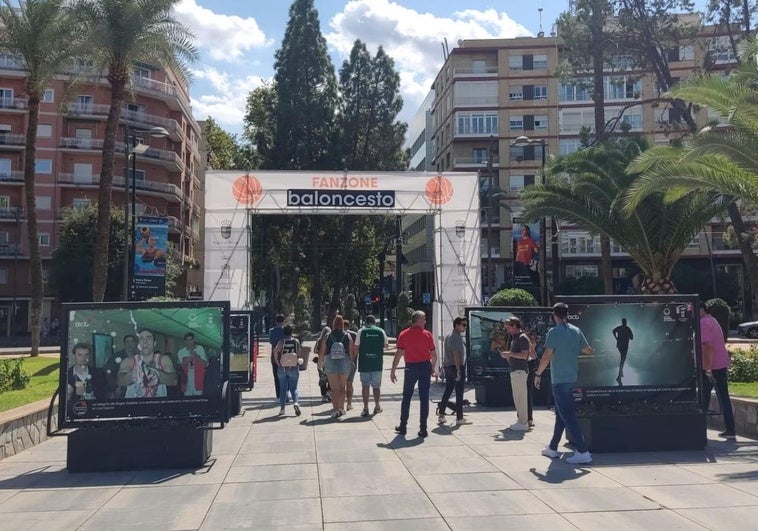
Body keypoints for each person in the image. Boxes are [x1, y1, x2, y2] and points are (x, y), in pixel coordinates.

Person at [535, 302, 594, 464]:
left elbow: (546, 356)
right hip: (572, 378)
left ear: (554, 315)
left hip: (559, 380)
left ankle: (583, 451)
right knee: (561, 414)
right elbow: (588, 349)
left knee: (567, 415)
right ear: (567, 314)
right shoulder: (576, 330)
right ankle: (553, 448)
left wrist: (538, 373)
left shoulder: (554, 332)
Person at [391, 310, 437, 438]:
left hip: (411, 368)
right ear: (417, 320)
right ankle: (423, 428)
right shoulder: (427, 335)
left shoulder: (404, 334)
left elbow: (398, 354)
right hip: (424, 366)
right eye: (424, 319)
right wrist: (432, 367)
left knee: (407, 397)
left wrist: (393, 370)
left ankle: (403, 426)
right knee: (424, 398)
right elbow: (433, 355)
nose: (425, 321)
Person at [700, 304, 735, 440]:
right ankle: (730, 429)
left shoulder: (703, 323)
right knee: (724, 396)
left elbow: (707, 346)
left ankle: (700, 429)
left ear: (701, 310)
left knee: (704, 397)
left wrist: (707, 368)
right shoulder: (713, 320)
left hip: (711, 366)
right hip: (721, 363)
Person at [117, 328, 177, 398]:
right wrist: (134, 374)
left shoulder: (163, 360)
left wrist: (156, 375)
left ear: (154, 343)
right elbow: (120, 381)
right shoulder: (129, 361)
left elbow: (174, 381)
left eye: (148, 338)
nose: (145, 342)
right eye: (141, 339)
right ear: (138, 344)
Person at [499, 316, 531, 431]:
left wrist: (510, 354)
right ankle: (521, 420)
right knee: (518, 398)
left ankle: (523, 423)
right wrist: (508, 355)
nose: (507, 330)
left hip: (520, 371)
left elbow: (524, 355)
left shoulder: (522, 337)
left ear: (514, 326)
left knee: (521, 398)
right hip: (516, 371)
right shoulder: (515, 338)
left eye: (508, 327)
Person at [437, 316, 471, 426]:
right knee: (459, 392)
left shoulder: (448, 335)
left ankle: (441, 415)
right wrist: (458, 370)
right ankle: (459, 417)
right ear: (457, 325)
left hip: (448, 366)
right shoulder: (455, 337)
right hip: (455, 366)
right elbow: (456, 354)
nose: (465, 327)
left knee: (448, 389)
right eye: (463, 325)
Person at [319, 315, 353, 418]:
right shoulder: (347, 336)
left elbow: (322, 351)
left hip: (331, 361)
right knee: (342, 387)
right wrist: (351, 362)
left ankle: (335, 410)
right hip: (344, 362)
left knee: (334, 389)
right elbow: (351, 351)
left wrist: (320, 362)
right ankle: (342, 408)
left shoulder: (328, 336)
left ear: (333, 324)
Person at [355, 315, 388, 417]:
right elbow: (386, 345)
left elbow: (356, 347)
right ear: (374, 322)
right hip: (377, 364)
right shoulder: (381, 331)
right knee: (376, 387)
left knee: (365, 386)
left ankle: (365, 408)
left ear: (365, 322)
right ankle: (377, 406)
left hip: (364, 364)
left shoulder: (361, 332)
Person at [274, 324, 302, 416]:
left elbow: (275, 351)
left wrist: (277, 362)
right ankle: (296, 403)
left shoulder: (281, 342)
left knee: (283, 388)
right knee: (294, 388)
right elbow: (299, 353)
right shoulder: (296, 341)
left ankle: (282, 409)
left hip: (282, 367)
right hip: (293, 366)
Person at [104, 334, 137, 398]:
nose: (130, 344)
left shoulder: (137, 357)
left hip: (135, 390)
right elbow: (108, 372)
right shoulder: (116, 356)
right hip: (121, 391)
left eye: (132, 341)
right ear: (124, 343)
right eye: (127, 342)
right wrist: (115, 387)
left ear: (135, 343)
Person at [177, 332, 208, 396]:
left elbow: (205, 364)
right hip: (186, 382)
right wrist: (185, 361)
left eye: (191, 340)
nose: (189, 342)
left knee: (199, 401)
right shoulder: (181, 352)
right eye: (187, 340)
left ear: (193, 340)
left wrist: (196, 356)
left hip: (198, 380)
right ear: (185, 341)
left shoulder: (200, 349)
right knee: (188, 402)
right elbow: (180, 367)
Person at [612, 318, 634, 385]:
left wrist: (616, 338)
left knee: (622, 359)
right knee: (623, 359)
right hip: (624, 346)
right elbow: (632, 338)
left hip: (619, 345)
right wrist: (627, 336)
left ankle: (620, 373)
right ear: (625, 322)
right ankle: (619, 375)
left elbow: (613, 331)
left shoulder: (620, 328)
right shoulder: (627, 329)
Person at [269, 314, 285, 400]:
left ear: (276, 321)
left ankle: (278, 395)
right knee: (286, 375)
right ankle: (286, 392)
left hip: (274, 356)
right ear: (283, 321)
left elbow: (271, 342)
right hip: (284, 356)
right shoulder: (285, 331)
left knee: (276, 376)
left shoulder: (271, 331)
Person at [314, 326, 332, 402]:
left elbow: (315, 350)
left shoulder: (319, 340)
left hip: (320, 361)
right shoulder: (330, 340)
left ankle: (323, 395)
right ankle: (329, 392)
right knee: (330, 377)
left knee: (322, 378)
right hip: (329, 361)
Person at [344, 320, 358, 411]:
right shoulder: (354, 335)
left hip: (340, 363)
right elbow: (357, 349)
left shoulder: (339, 334)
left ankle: (340, 404)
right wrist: (352, 359)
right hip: (352, 362)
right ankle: (349, 403)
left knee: (340, 385)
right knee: (349, 383)